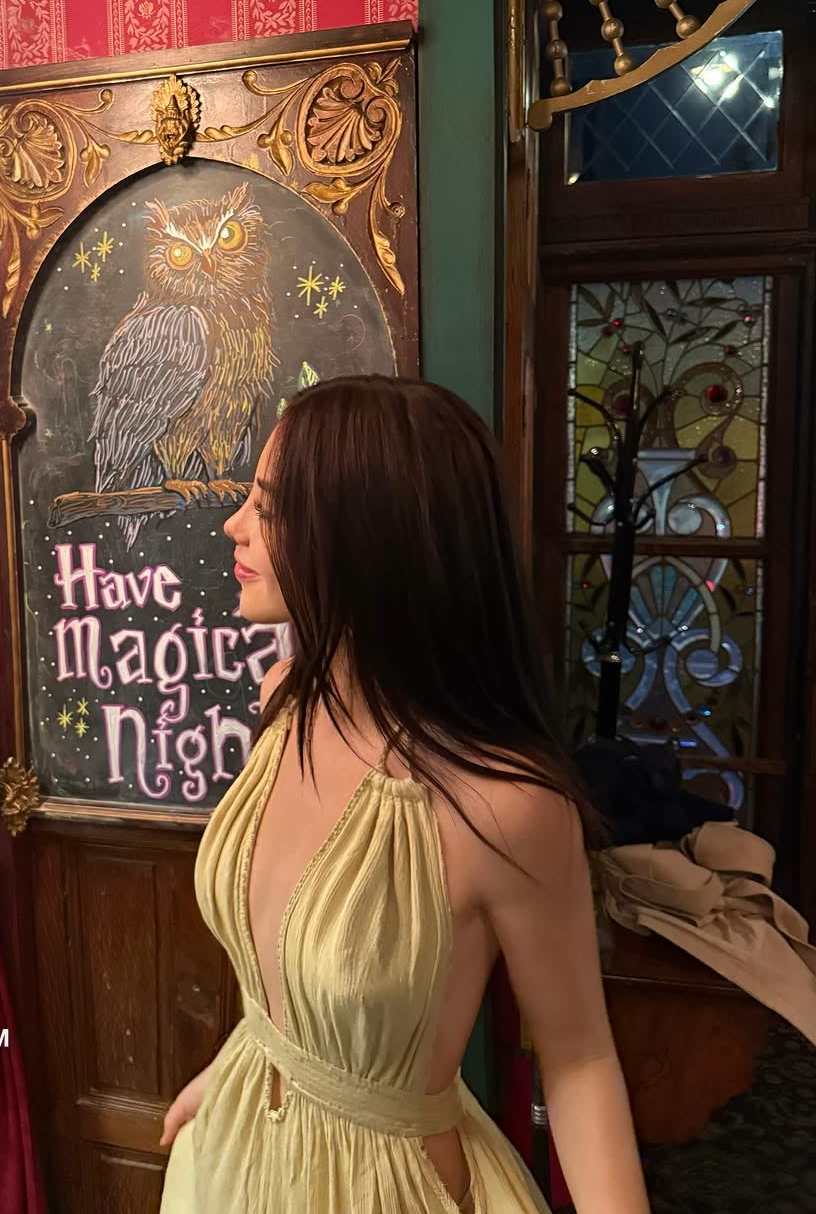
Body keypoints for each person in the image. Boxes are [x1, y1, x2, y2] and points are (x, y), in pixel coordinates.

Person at [158, 377, 650, 1214]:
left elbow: (579, 1059)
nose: (234, 525)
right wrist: (244, 1063)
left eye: (268, 508)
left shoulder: (507, 806)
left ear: (364, 539)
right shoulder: (284, 702)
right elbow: (283, 954)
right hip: (230, 1156)